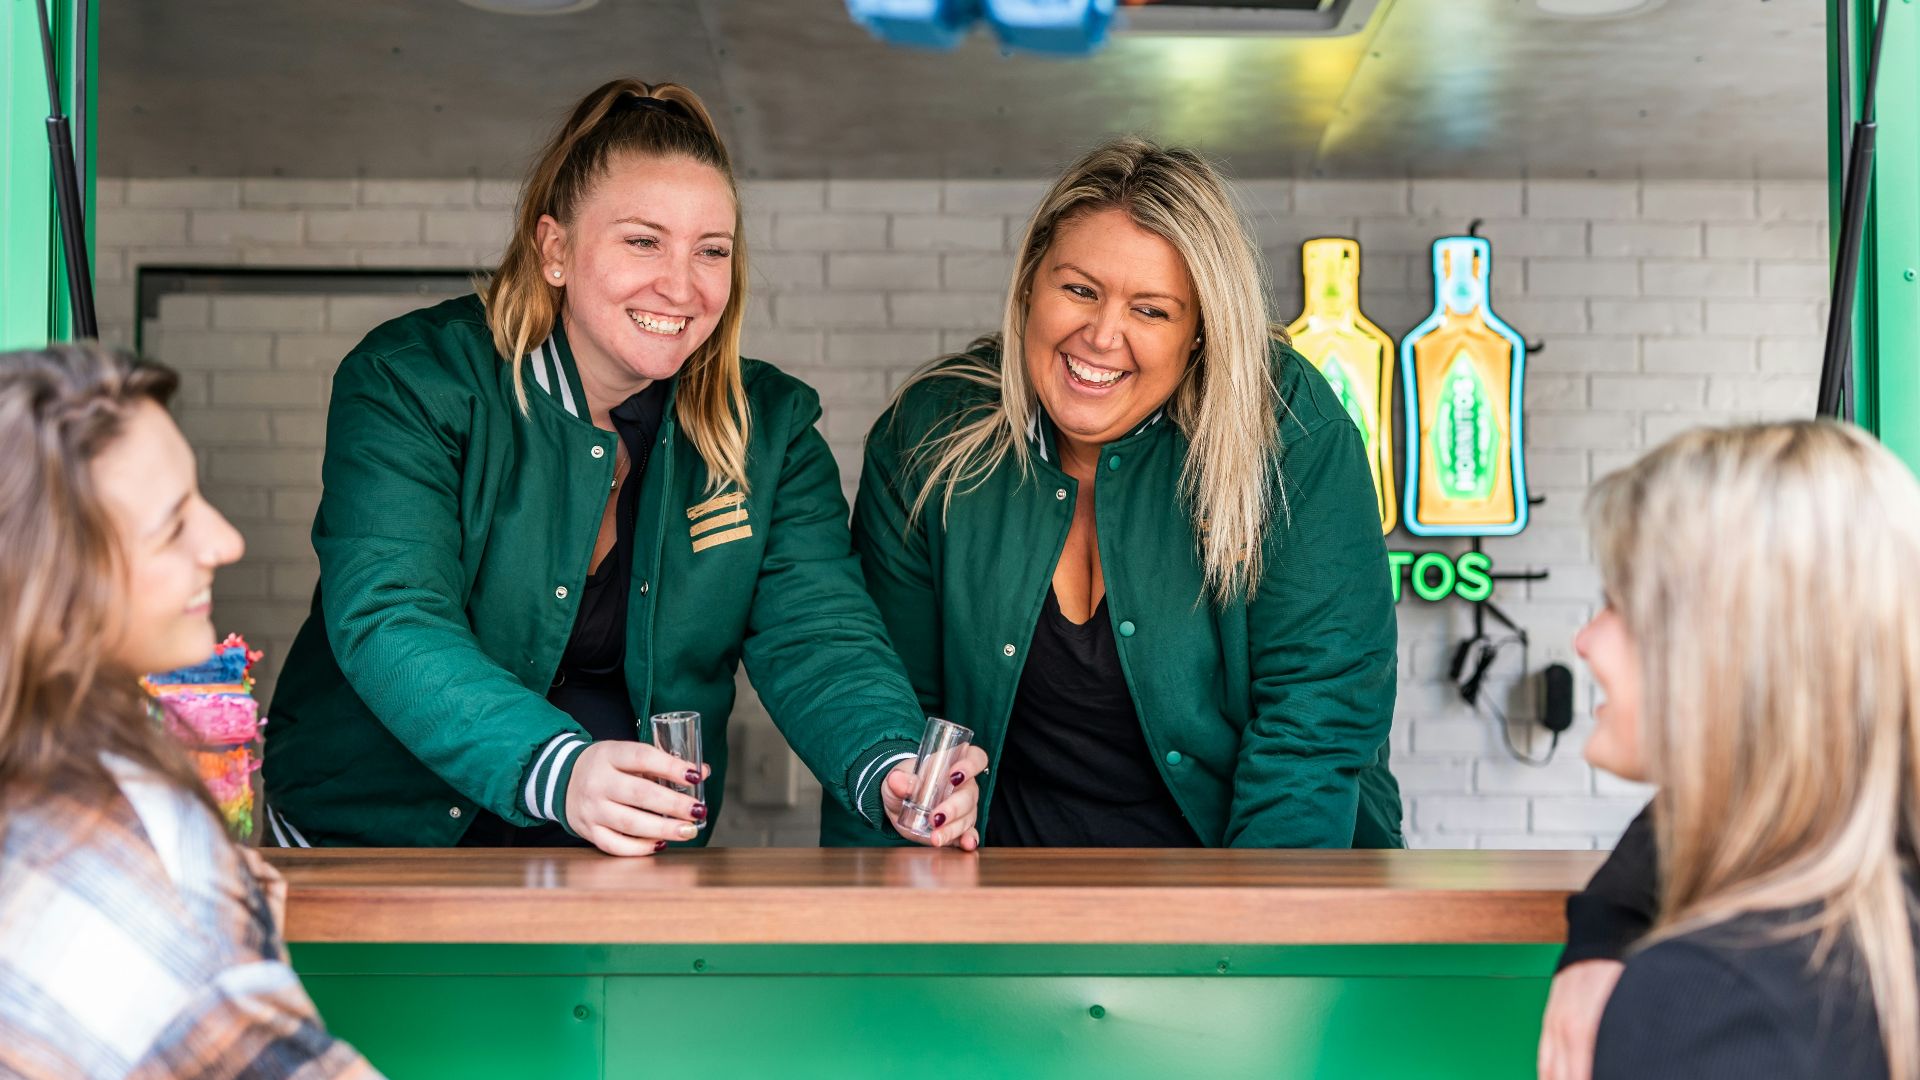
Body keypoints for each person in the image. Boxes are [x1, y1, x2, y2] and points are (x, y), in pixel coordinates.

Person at [262, 78, 984, 854]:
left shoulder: (768, 428)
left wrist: (889, 760)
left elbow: (819, 634)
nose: (680, 285)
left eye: (711, 251)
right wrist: (558, 769)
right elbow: (389, 614)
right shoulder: (412, 379)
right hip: (373, 840)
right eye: (643, 241)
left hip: (616, 865)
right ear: (555, 249)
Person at [836, 137, 1401, 847]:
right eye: (1079, 290)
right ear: (1028, 288)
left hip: (1236, 887)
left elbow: (1315, 716)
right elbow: (892, 709)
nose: (1103, 336)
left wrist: (1262, 936)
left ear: (1201, 332)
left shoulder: (1290, 430)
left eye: (1153, 311)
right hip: (1001, 901)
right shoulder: (931, 431)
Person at [0, 344, 379, 1078]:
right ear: (55, 588)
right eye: (174, 527)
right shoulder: (121, 870)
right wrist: (203, 917)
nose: (225, 540)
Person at [1549, 422, 1920, 1080]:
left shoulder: (1708, 1003)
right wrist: (1603, 929)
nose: (1584, 640)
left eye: (1615, 605)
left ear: (1724, 656)